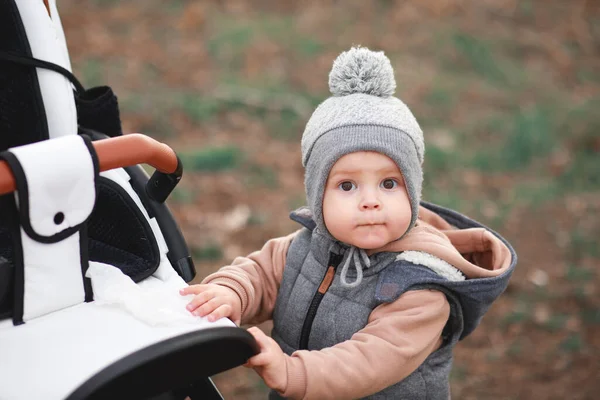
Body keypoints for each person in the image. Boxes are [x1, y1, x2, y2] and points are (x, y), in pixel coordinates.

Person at [180, 46, 516, 400]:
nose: (370, 201)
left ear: (413, 192)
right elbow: (260, 273)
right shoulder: (307, 246)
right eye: (346, 185)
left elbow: (367, 363)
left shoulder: (423, 287)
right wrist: (231, 293)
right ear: (316, 195)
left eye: (389, 183)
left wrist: (291, 370)